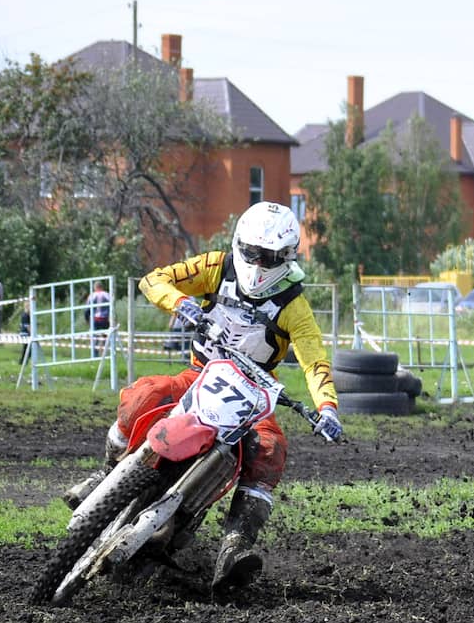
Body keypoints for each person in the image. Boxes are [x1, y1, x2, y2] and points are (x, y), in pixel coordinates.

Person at [64, 201, 342, 588]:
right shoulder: (215, 266)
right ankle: (108, 472)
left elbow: (314, 361)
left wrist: (326, 408)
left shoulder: (294, 305)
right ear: (239, 244)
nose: (259, 264)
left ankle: (235, 545)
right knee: (144, 394)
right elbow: (153, 279)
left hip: (251, 395)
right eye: (252, 253)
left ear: (286, 257)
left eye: (271, 257)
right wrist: (180, 304)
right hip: (199, 373)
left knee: (270, 447)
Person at [85, 281, 112, 353]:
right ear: (102, 287)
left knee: (94, 338)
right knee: (106, 337)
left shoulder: (92, 296)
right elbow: (112, 307)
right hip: (105, 319)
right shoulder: (107, 295)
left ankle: (95, 354)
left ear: (95, 287)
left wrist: (87, 320)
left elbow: (87, 310)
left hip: (95, 320)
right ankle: (104, 352)